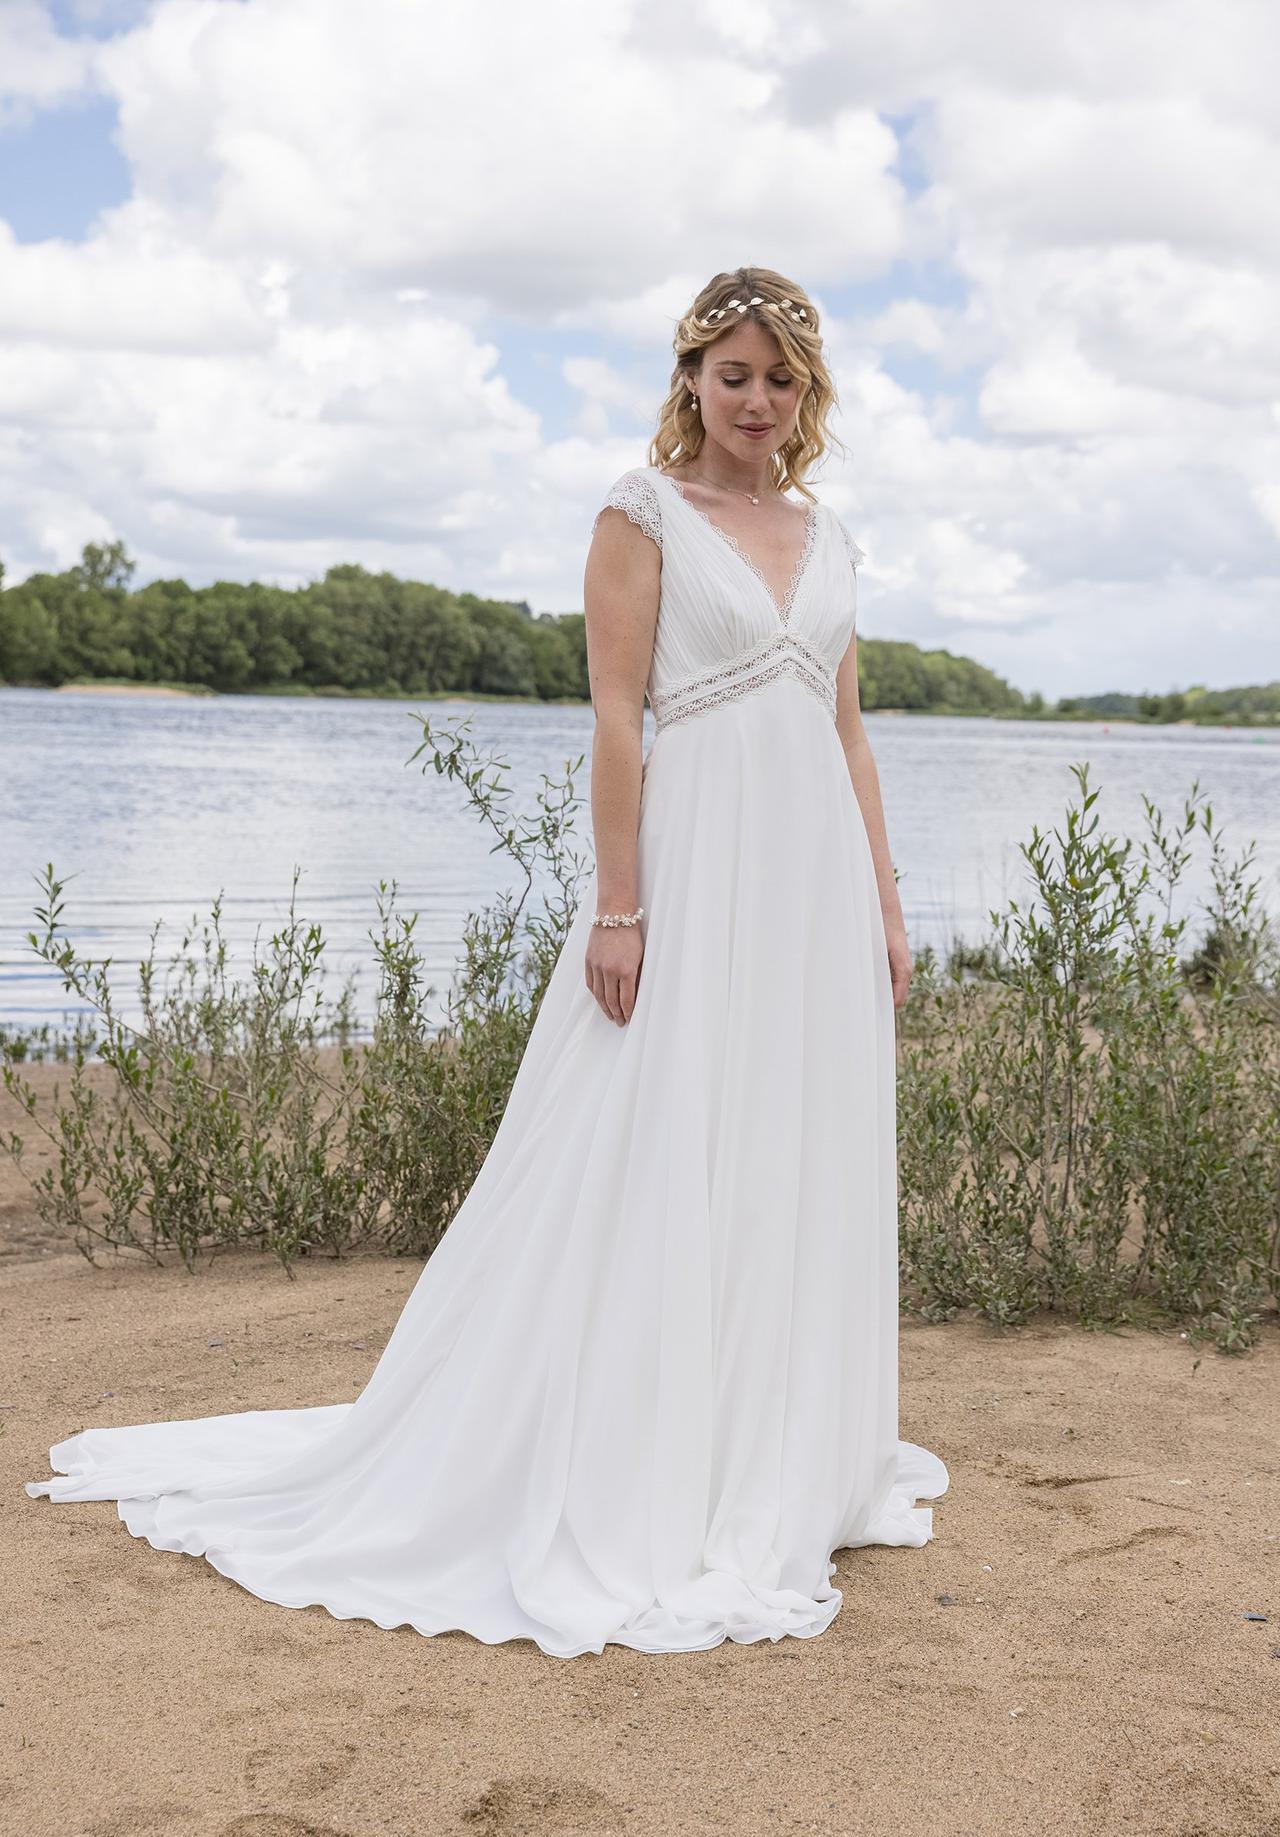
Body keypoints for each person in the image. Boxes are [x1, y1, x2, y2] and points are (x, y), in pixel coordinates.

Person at [26, 267, 949, 1659]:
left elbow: (849, 734)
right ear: (691, 377)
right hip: (693, 874)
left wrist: (882, 901)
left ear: (810, 396)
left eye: (784, 381)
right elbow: (619, 721)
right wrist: (622, 909)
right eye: (735, 374)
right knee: (650, 1136)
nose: (759, 403)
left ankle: (776, 1452)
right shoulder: (641, 517)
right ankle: (632, 1458)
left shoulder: (826, 536)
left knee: (784, 1146)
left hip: (812, 886)